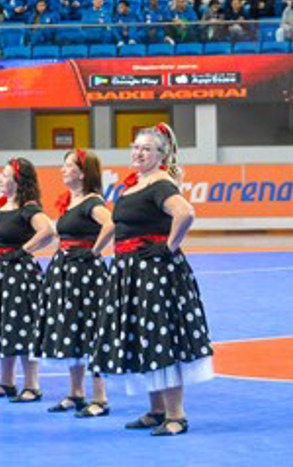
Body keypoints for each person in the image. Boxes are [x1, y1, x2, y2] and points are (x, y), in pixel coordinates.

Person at [90, 123, 213, 436]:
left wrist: (167, 247)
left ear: (161, 155)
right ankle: (156, 410)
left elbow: (185, 213)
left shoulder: (160, 183)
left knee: (161, 339)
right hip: (131, 272)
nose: (138, 152)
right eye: (135, 147)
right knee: (144, 339)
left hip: (153, 272)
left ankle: (176, 415)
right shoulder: (134, 185)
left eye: (146, 148)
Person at [0, 158, 55, 403]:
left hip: (16, 276)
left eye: (6, 176)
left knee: (22, 328)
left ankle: (32, 385)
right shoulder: (4, 206)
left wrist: (23, 250)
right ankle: (7, 382)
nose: (1, 180)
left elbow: (47, 231)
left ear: (18, 180)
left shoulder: (28, 208)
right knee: (5, 326)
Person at [40, 150, 115, 417]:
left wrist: (94, 251)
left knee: (91, 331)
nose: (62, 169)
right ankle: (76, 393)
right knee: (71, 329)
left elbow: (110, 224)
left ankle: (100, 397)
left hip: (86, 276)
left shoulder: (92, 201)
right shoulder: (72, 202)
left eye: (68, 165)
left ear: (83, 173)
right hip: (67, 273)